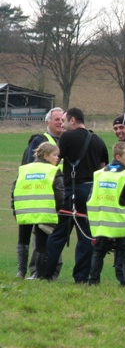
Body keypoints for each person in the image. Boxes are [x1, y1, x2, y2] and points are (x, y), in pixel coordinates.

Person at [44, 108, 110, 283]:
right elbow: (103, 167)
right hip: (91, 193)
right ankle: (80, 277)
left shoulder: (67, 137)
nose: (63, 125)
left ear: (73, 120)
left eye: (64, 121)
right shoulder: (98, 140)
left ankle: (47, 273)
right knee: (86, 236)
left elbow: (56, 159)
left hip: (72, 190)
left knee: (58, 234)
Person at [19, 107, 65, 279]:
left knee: (50, 238)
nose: (60, 122)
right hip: (41, 200)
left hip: (57, 196)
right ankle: (36, 271)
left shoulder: (65, 140)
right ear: (47, 122)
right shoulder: (40, 140)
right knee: (39, 239)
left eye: (62, 119)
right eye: (57, 119)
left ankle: (48, 272)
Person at [87, 142, 125, 287]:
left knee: (98, 251)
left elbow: (91, 197)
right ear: (118, 157)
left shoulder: (99, 174)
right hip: (119, 222)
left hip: (101, 221)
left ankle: (93, 281)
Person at [12, 142, 64, 280]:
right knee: (41, 244)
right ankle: (39, 274)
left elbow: (14, 189)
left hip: (24, 210)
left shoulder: (24, 169)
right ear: (45, 155)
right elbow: (59, 193)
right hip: (44, 212)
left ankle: (21, 272)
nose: (57, 158)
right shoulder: (53, 171)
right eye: (54, 155)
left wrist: (14, 210)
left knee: (23, 241)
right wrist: (58, 208)